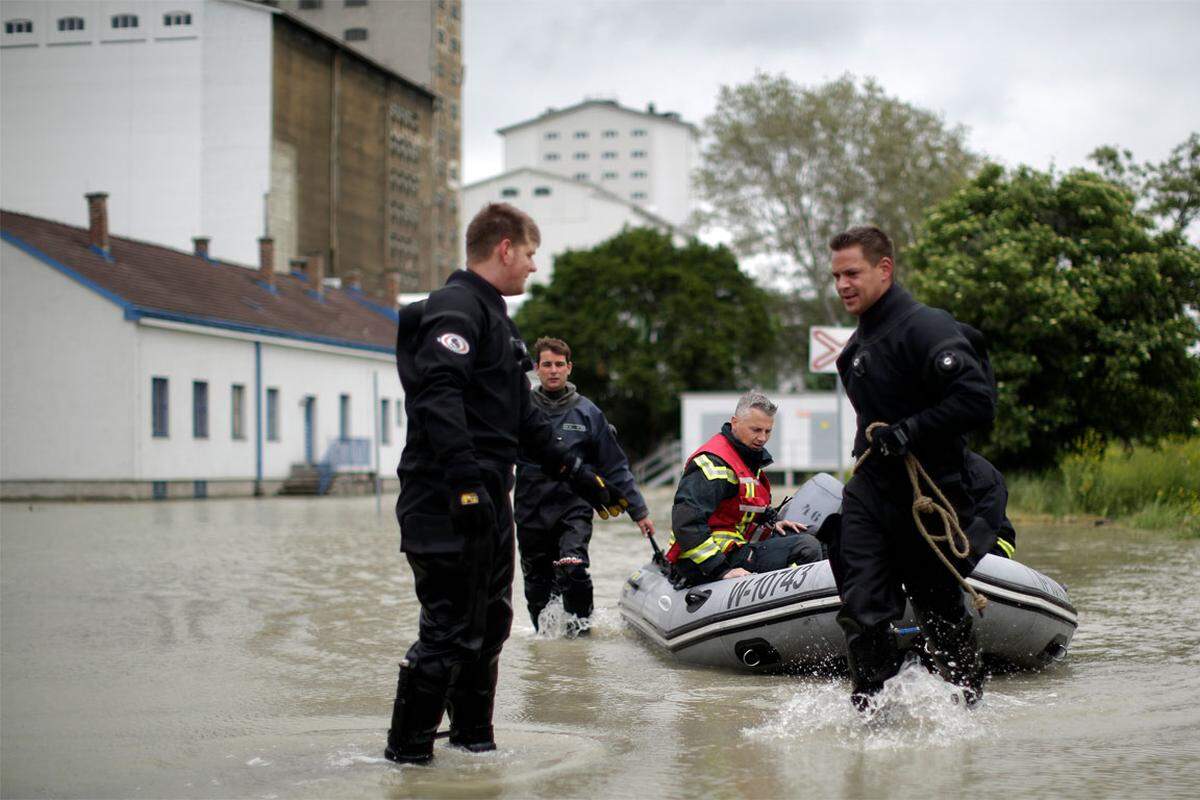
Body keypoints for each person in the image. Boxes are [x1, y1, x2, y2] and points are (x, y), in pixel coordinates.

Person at [385, 203, 630, 765]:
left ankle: (475, 748)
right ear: (504, 248)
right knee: (449, 628)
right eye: (530, 254)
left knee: (490, 621)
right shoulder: (456, 308)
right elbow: (437, 394)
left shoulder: (497, 319)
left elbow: (523, 420)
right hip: (446, 497)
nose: (533, 267)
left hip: (491, 495)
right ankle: (406, 758)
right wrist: (467, 486)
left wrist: (581, 476)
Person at [828, 225, 998, 711]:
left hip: (931, 495)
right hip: (870, 493)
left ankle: (969, 709)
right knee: (862, 609)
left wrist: (911, 430)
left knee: (941, 611)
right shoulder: (851, 353)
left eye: (852, 273)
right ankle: (869, 715)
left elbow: (977, 402)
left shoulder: (927, 328)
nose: (842, 285)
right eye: (836, 275)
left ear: (885, 269)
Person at [515, 337, 656, 632]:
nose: (553, 370)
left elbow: (615, 466)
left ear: (569, 368)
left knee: (572, 567)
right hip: (530, 509)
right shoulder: (520, 409)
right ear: (536, 369)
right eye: (546, 365)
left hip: (574, 507)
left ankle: (581, 634)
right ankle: (549, 644)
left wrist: (639, 511)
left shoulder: (588, 413)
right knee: (538, 584)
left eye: (559, 365)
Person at [665, 392, 823, 587]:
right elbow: (686, 525)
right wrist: (720, 570)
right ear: (735, 422)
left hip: (735, 546)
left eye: (768, 431)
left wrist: (773, 522)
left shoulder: (746, 458)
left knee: (820, 534)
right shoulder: (714, 463)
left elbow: (740, 507)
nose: (762, 438)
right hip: (703, 562)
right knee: (807, 547)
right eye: (756, 430)